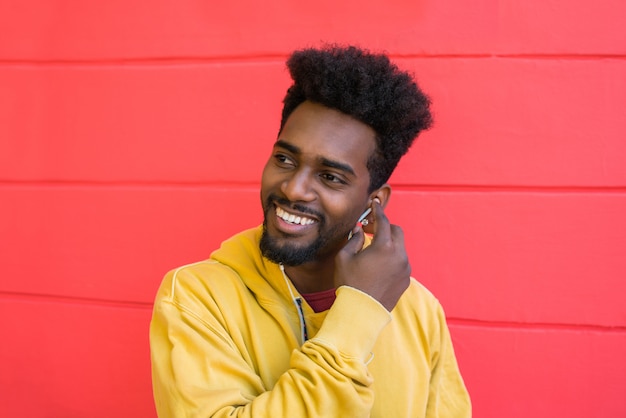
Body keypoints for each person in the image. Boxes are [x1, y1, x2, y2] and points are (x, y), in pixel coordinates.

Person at [150, 44, 471, 417]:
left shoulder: (419, 309)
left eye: (330, 177)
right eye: (285, 159)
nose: (293, 189)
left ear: (374, 202)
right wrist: (357, 320)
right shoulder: (196, 297)